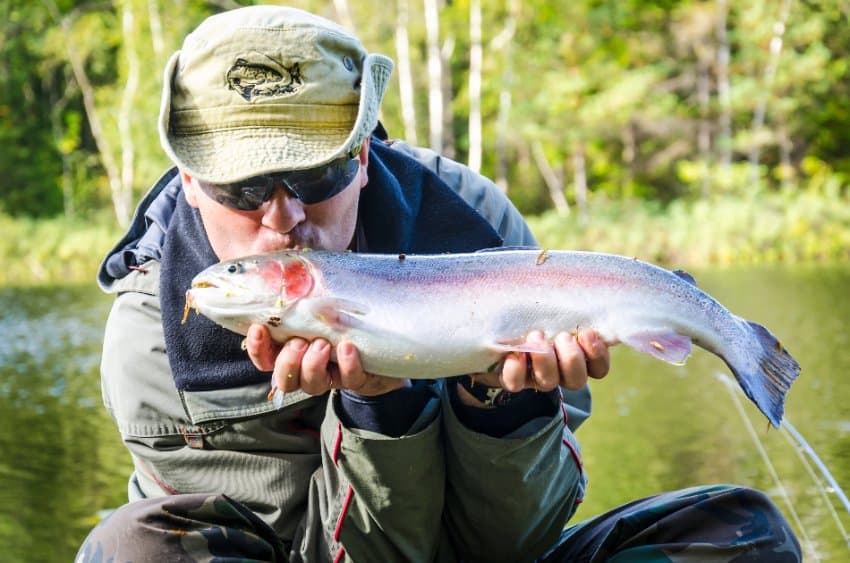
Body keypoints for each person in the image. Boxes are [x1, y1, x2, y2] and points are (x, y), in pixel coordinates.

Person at [79, 5, 801, 562]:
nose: (285, 215)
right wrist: (375, 413)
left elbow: (514, 542)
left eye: (316, 173)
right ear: (190, 181)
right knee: (133, 548)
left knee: (742, 532)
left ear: (363, 152)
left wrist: (503, 408)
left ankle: (744, 351)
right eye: (243, 188)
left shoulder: (475, 223)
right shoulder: (154, 336)